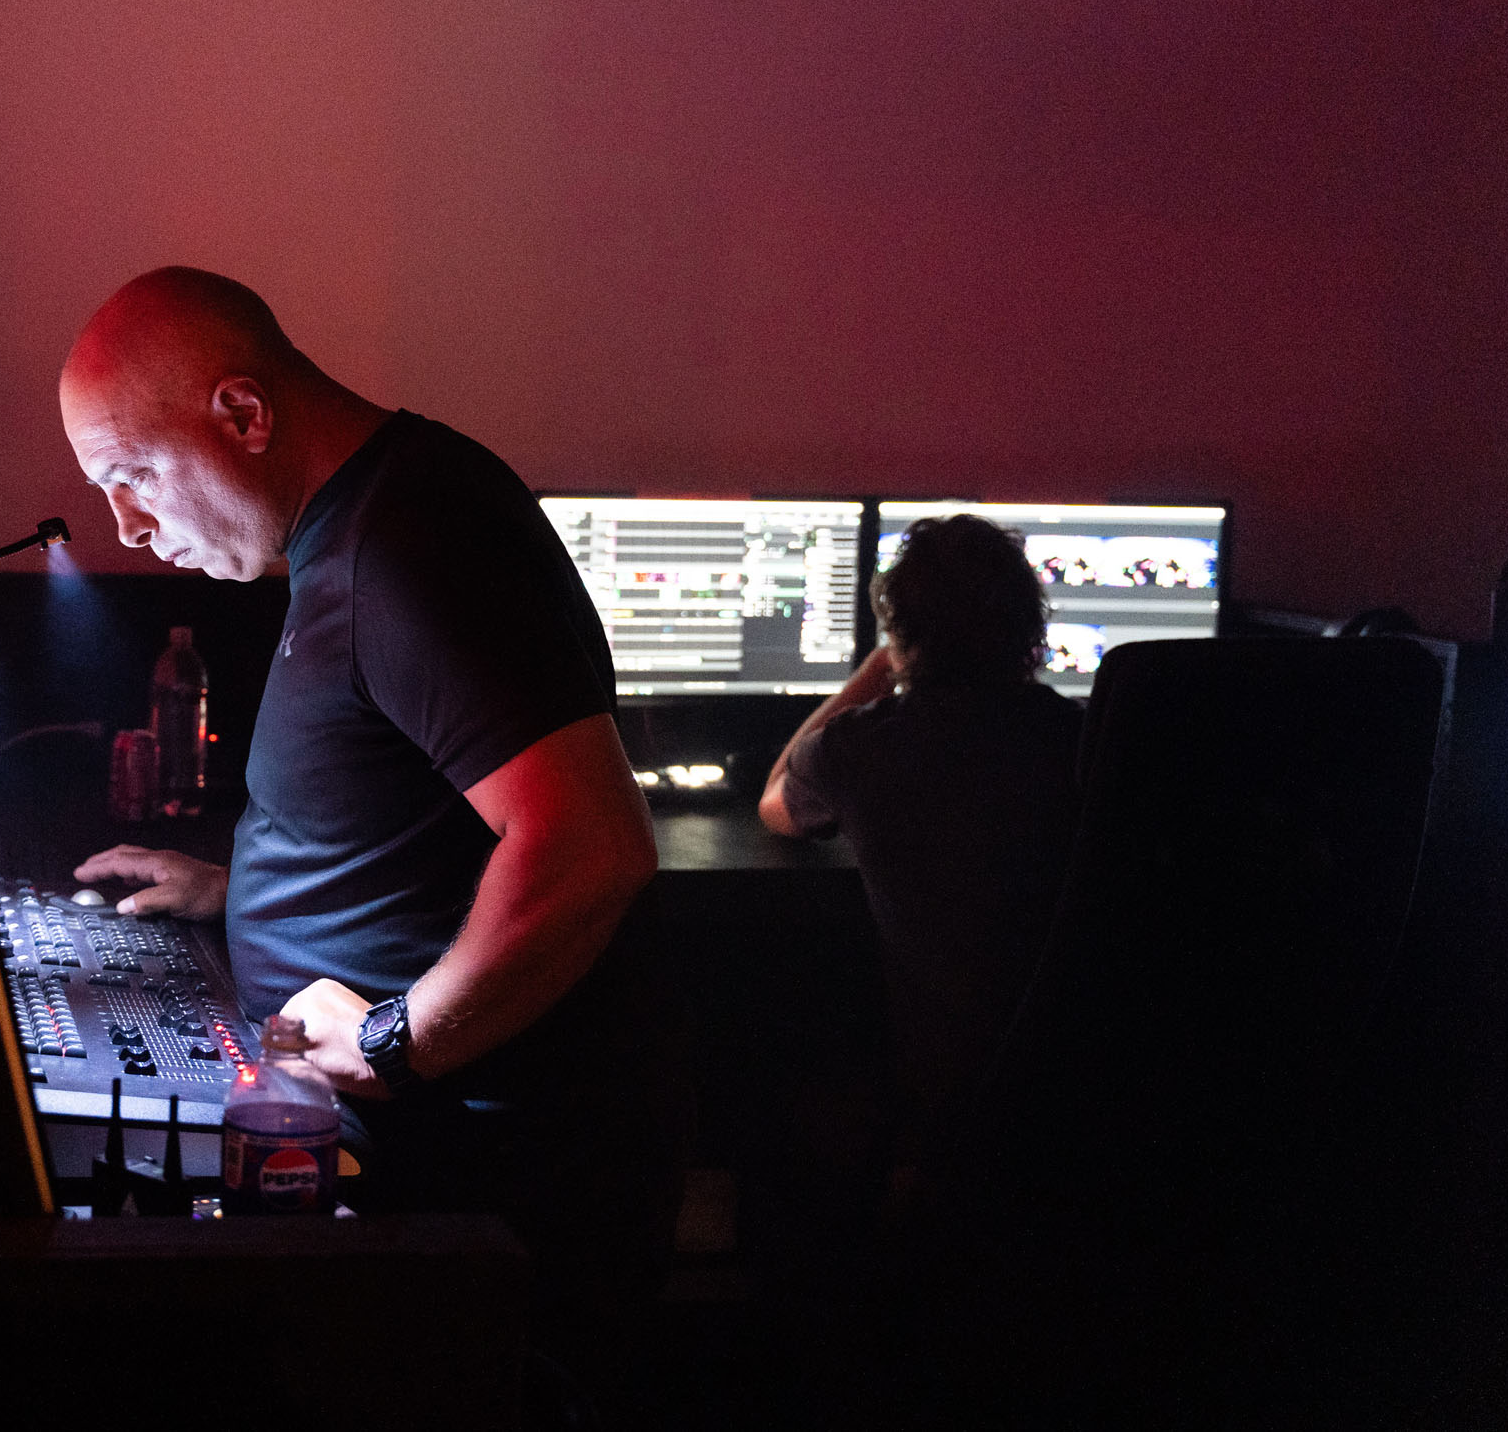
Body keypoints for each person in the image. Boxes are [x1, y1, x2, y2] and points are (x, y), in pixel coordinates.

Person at [57, 266, 686, 1398]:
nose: (129, 526)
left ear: (243, 414)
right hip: (423, 1155)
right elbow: (415, 805)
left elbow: (592, 843)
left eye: (133, 476)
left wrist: (399, 1040)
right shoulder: (363, 522)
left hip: (481, 1190)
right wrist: (239, 885)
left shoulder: (413, 540)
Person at [758, 514, 1083, 1185]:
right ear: (1030, 628)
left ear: (901, 632)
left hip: (941, 1081)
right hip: (1080, 1076)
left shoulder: (856, 746)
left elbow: (775, 804)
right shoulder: (1087, 736)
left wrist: (877, 670)